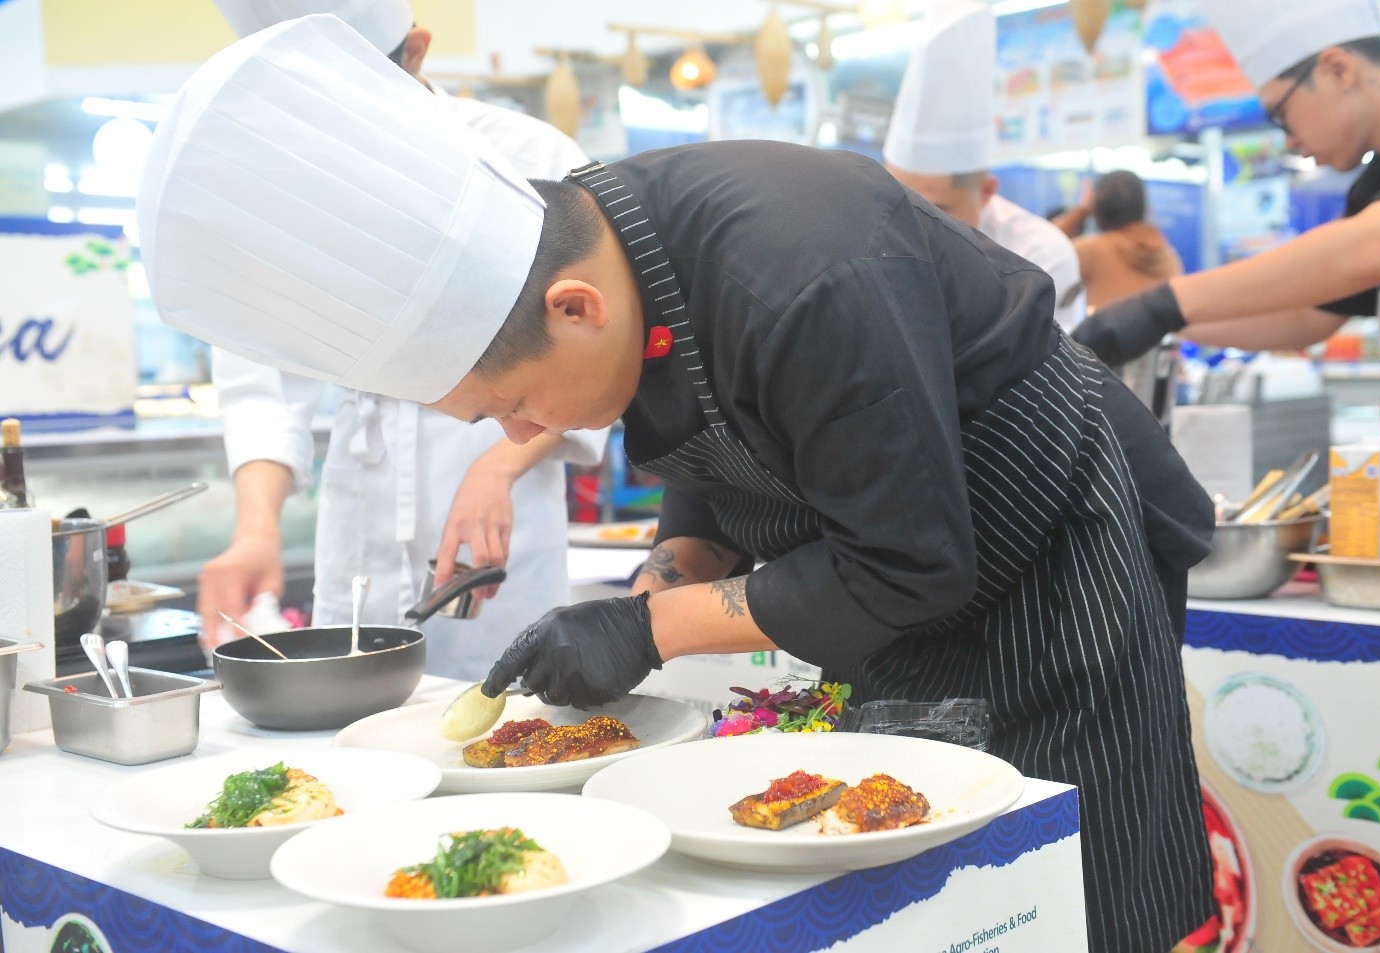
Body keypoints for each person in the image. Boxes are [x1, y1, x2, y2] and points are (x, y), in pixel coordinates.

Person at [138, 16, 1214, 951]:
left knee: (1075, 866)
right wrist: (674, 564)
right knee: (911, 866)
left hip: (1034, 544)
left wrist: (655, 632)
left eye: (513, 405)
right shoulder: (624, 241)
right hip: (894, 565)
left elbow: (906, 557)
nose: (517, 435)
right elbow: (713, 422)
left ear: (573, 308)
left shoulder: (806, 270)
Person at [198, 0, 606, 680]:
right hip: (361, 509)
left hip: (498, 488)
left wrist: (498, 465)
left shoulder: (531, 158)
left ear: (414, 50)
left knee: (510, 711)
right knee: (351, 717)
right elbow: (262, 379)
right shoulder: (292, 189)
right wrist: (257, 527)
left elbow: (597, 353)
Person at [1072, 0, 1380, 366]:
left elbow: (1375, 249)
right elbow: (1304, 318)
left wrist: (1169, 301)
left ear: (1338, 70)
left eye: (1281, 115)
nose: (1289, 141)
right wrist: (1163, 322)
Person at [881, 0, 1085, 329]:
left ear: (987, 191)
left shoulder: (1039, 258)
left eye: (934, 212)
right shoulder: (874, 243)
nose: (912, 229)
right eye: (898, 204)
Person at [1054, 170, 1185, 311]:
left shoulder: (1094, 249)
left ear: (1097, 205)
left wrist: (1082, 209)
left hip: (1106, 332)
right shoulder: (1167, 255)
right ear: (1142, 205)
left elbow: (1047, 247)